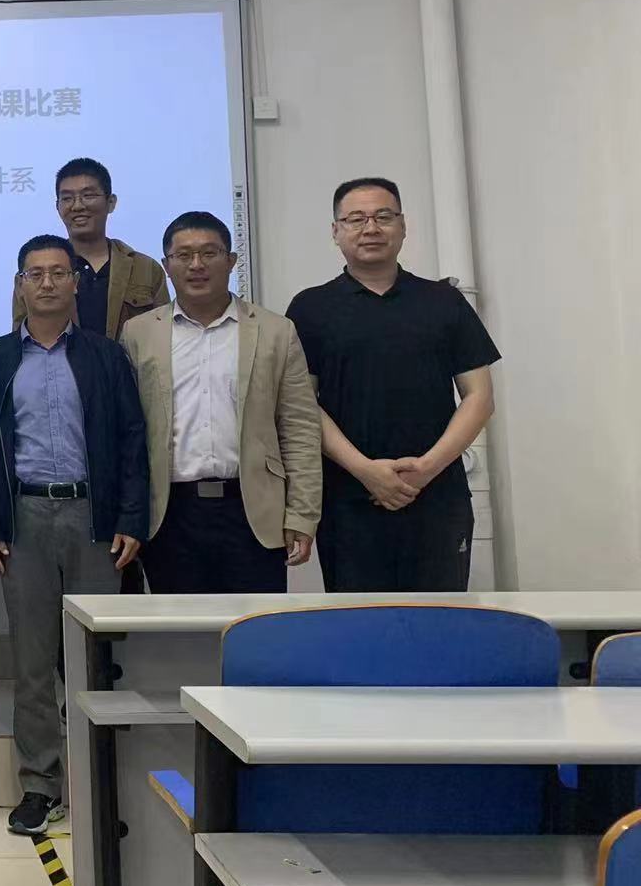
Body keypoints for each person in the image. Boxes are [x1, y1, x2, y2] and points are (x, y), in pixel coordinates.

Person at [0, 234, 148, 836]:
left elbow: (132, 441)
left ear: (75, 283)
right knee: (33, 661)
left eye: (57, 273)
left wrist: (131, 519)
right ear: (20, 285)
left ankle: (99, 776)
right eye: (34, 274)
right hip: (24, 521)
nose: (46, 283)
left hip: (95, 520)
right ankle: (40, 785)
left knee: (97, 657)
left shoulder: (105, 356)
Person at [285, 178, 499, 592]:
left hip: (438, 497)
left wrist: (427, 469)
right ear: (336, 231)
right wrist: (365, 471)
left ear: (403, 226)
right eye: (356, 219)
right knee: (361, 621)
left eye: (384, 216)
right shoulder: (310, 308)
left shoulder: (443, 301)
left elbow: (480, 397)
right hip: (348, 500)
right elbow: (302, 405)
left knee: (439, 618)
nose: (371, 228)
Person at [121, 212, 323, 595]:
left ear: (231, 261)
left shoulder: (275, 331)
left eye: (209, 253)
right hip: (169, 514)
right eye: (183, 255)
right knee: (180, 627)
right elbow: (127, 434)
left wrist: (302, 513)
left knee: (256, 626)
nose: (196, 265)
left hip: (252, 512)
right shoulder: (139, 333)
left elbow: (299, 427)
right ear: (166, 266)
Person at [18, 157, 168, 340]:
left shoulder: (145, 268)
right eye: (67, 198)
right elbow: (20, 340)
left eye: (88, 196)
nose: (77, 206)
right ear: (57, 207)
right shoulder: (35, 273)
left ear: (111, 202)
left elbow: (163, 336)